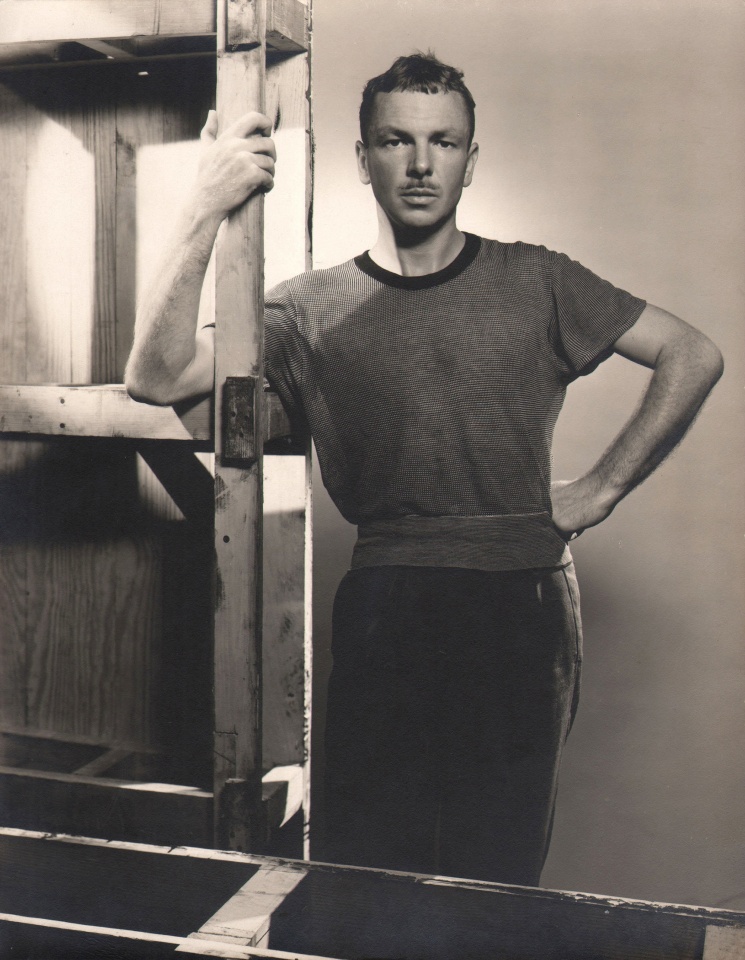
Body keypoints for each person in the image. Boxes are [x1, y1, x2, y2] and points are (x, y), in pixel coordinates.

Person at [125, 53, 723, 886]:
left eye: (442, 142)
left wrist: (601, 489)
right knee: (367, 868)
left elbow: (691, 353)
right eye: (394, 140)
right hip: (388, 602)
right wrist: (206, 206)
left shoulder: (536, 278)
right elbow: (154, 377)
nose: (418, 163)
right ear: (362, 157)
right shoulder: (306, 308)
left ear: (469, 162)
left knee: (495, 869)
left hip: (519, 601)